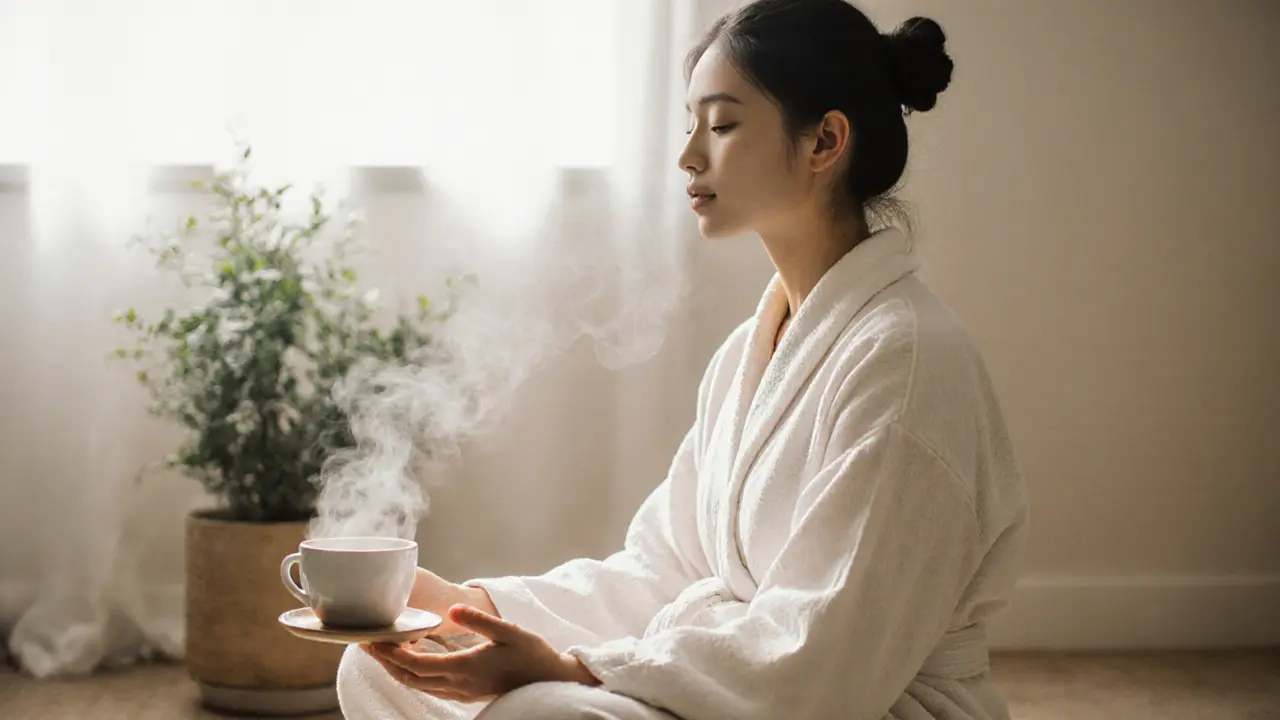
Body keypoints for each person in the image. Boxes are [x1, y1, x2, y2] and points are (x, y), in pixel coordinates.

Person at [337, 0, 1029, 718]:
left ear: (825, 140)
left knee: (539, 713)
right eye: (689, 124)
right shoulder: (748, 356)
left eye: (723, 124)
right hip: (728, 677)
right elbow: (663, 572)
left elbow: (826, 663)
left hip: (852, 701)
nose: (689, 155)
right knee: (379, 666)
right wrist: (465, 609)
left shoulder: (906, 362)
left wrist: (572, 668)